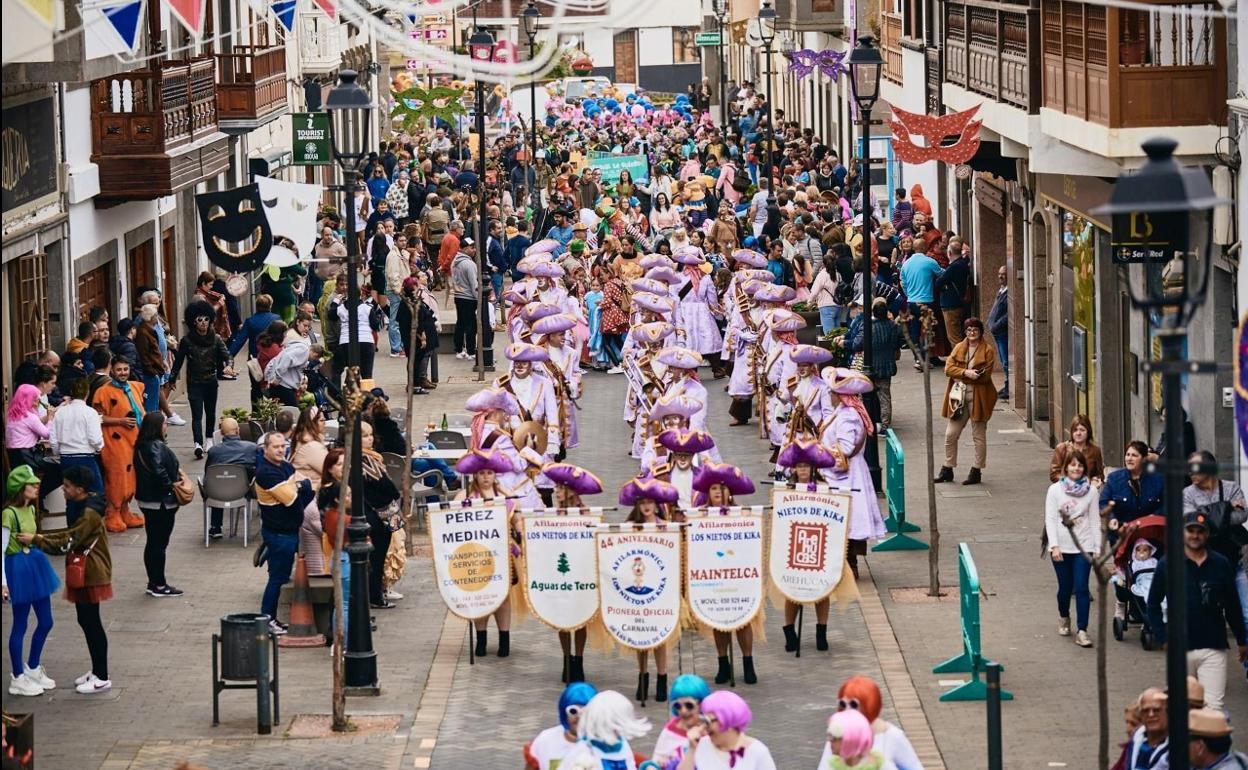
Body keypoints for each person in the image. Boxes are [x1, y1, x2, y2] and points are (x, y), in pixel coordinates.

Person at [17, 465, 114, 693]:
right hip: (87, 570)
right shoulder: (85, 505)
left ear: (80, 489)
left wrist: (37, 539)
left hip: (91, 571)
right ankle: (97, 670)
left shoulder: (88, 513)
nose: (63, 489)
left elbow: (69, 540)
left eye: (67, 486)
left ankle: (102, 674)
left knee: (92, 623)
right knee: (86, 620)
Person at [1148, 510, 1248, 712]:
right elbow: (1153, 603)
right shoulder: (1168, 564)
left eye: (1201, 531)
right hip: (1179, 647)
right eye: (1190, 530)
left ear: (1208, 534)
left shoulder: (1220, 564)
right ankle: (1185, 744)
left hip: (1214, 646)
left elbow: (1232, 605)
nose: (1195, 535)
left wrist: (1242, 640)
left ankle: (1209, 744)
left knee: (1213, 708)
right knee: (1182, 707)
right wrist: (1162, 637)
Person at [454, 449, 518, 655]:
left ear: (495, 474)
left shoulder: (505, 494)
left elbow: (517, 521)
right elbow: (452, 522)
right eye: (482, 473)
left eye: (489, 473)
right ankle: (481, 638)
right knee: (480, 594)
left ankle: (504, 639)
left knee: (503, 596)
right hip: (476, 553)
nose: (486, 477)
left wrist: (518, 534)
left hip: (502, 553)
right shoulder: (464, 496)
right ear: (475, 475)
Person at [3, 465, 60, 697]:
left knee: (46, 621)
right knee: (20, 624)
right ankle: (17, 677)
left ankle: (33, 667)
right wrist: (3, 582)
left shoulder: (30, 509)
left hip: (34, 564)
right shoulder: (9, 513)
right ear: (20, 487)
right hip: (17, 567)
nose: (37, 487)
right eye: (32, 484)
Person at [256, 431, 316, 636]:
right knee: (277, 579)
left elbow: (306, 487)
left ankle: (270, 618)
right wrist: (298, 487)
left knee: (279, 576)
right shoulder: (266, 472)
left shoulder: (285, 466)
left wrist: (297, 487)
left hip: (289, 530)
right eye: (276, 447)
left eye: (283, 446)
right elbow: (291, 500)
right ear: (266, 448)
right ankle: (267, 619)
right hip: (279, 533)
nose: (281, 450)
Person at [1184, 451, 1248, 637]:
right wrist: (1226, 506)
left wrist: (1206, 513)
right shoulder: (1187, 494)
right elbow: (1193, 520)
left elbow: (1242, 516)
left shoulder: (1231, 487)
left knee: (1246, 614)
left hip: (1235, 560)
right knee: (1205, 616)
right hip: (1203, 565)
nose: (1190, 473)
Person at [1045, 450, 1101, 648]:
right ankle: (1064, 616)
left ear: (1084, 468)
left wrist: (1097, 548)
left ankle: (1083, 630)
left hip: (1083, 546)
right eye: (1072, 465)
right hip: (1061, 546)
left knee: (1082, 588)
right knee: (1065, 588)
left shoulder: (1092, 491)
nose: (1076, 468)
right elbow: (1050, 520)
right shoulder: (1055, 490)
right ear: (1066, 467)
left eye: (1080, 465)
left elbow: (1095, 520)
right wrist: (1054, 546)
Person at [934, 317, 997, 486]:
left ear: (981, 332)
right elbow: (948, 369)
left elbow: (985, 377)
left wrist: (963, 374)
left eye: (975, 330)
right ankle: (948, 467)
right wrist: (966, 373)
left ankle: (976, 470)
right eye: (969, 330)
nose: (972, 333)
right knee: (950, 434)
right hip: (958, 396)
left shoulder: (988, 350)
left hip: (979, 397)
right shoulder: (959, 348)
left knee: (978, 435)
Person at [169, 300, 235, 458]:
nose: (204, 323)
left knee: (210, 413)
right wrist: (172, 378)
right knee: (197, 414)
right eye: (200, 320)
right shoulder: (187, 341)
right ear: (194, 322)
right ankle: (198, 443)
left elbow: (228, 356)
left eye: (206, 319)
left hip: (211, 381)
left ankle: (209, 439)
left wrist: (229, 366)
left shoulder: (216, 339)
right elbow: (178, 361)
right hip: (194, 382)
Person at [132, 412, 183, 597]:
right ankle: (159, 584)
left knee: (153, 542)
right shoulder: (155, 447)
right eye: (164, 424)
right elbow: (159, 470)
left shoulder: (141, 446)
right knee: (158, 544)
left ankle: (154, 582)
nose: (166, 427)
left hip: (147, 500)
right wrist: (171, 487)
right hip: (160, 502)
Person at [92, 357, 145, 532]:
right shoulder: (103, 391)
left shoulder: (135, 387)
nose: (123, 373)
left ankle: (125, 509)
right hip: (114, 441)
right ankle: (112, 512)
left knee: (131, 476)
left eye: (125, 369)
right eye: (119, 369)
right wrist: (120, 421)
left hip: (134, 440)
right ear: (112, 371)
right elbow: (98, 418)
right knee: (117, 476)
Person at [359, 420, 403, 609]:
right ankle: (375, 595)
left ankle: (375, 593)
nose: (369, 440)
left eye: (370, 435)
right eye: (364, 436)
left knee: (375, 557)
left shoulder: (369, 457)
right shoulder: (366, 460)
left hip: (373, 511)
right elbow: (385, 485)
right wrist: (395, 493)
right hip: (377, 513)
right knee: (377, 557)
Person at [49, 378, 105, 523]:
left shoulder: (60, 412)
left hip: (66, 457)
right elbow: (95, 439)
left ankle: (72, 529)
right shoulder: (90, 413)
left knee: (70, 495)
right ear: (87, 393)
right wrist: (98, 448)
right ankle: (91, 526)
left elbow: (53, 439)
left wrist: (58, 453)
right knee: (95, 493)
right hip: (86, 456)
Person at [676, 690, 776, 770]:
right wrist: (692, 749)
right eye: (703, 720)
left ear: (727, 720)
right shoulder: (700, 745)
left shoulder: (757, 751)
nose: (704, 727)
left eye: (708, 721)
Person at [564, 689, 652, 769]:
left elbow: (630, 765)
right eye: (617, 724)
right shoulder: (585, 749)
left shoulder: (622, 745)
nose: (620, 730)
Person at [204, 417, 257, 539]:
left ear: (221, 433)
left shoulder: (214, 451)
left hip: (218, 493)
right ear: (238, 431)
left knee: (218, 481)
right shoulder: (252, 448)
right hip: (244, 492)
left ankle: (216, 527)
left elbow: (208, 473)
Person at [525, 682, 599, 770]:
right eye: (573, 711)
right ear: (564, 712)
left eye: (586, 711)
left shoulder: (605, 743)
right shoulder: (545, 740)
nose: (579, 717)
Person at [1102, 440, 1165, 533]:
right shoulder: (1114, 478)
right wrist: (1111, 518)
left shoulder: (1158, 479)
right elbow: (1103, 502)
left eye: (1134, 455)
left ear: (1144, 459)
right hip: (1120, 535)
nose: (1129, 459)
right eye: (1127, 455)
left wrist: (1154, 517)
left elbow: (1167, 504)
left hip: (1149, 533)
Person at [652, 674, 711, 767]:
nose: (683, 711)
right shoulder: (671, 730)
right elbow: (656, 761)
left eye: (689, 705)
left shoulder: (711, 729)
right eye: (678, 706)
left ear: (701, 704)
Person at [264, 312, 313, 407]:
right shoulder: (296, 339)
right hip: (284, 384)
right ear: (298, 322)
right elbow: (286, 358)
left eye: (309, 327)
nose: (306, 329)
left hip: (283, 383)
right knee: (292, 412)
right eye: (305, 325)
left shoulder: (299, 338)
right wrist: (276, 377)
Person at [824, 709, 896, 770]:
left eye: (834, 738)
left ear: (850, 740)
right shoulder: (834, 764)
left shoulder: (876, 763)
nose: (829, 740)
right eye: (829, 736)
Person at [1048, 415, 1105, 483]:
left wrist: (1094, 480)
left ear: (1088, 432)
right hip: (1065, 489)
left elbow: (1100, 475)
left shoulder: (1095, 450)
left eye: (1082, 430)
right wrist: (1070, 481)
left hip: (1087, 489)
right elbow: (1054, 474)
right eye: (1075, 430)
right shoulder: (1062, 448)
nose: (1078, 433)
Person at [1124, 688, 1169, 769]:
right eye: (1146, 710)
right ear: (1141, 715)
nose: (1151, 714)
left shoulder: (1178, 749)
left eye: (1156, 710)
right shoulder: (1136, 741)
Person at [452, 236, 480, 359]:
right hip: (468, 297)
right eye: (472, 248)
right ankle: (471, 351)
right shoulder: (469, 264)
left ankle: (458, 349)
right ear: (465, 248)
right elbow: (474, 284)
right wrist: (478, 299)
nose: (474, 250)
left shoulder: (455, 262)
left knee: (461, 323)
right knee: (471, 325)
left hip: (458, 296)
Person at [987, 265, 1009, 399]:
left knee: (1006, 360)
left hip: (1002, 331)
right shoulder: (1001, 290)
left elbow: (1007, 315)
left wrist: (996, 325)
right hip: (997, 331)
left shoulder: (1008, 293)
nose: (1001, 277)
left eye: (1004, 274)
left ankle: (1009, 387)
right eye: (999, 274)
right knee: (1003, 360)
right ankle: (1007, 385)